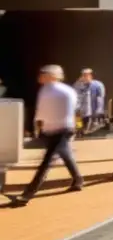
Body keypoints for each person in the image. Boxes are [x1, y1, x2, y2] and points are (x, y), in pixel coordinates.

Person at [9, 65, 83, 206]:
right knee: (66, 155)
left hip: (60, 130)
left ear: (52, 75)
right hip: (60, 129)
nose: (40, 76)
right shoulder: (55, 90)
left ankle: (28, 193)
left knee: (46, 162)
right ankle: (78, 179)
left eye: (43, 74)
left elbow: (43, 112)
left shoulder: (54, 91)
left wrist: (39, 125)